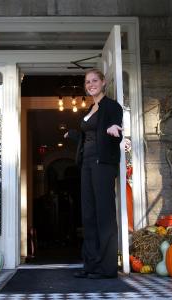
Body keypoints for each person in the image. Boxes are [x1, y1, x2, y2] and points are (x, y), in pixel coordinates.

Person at [64, 69, 123, 279]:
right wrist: (73, 135)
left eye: (94, 80)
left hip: (103, 164)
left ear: (103, 82)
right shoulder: (90, 108)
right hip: (87, 165)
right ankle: (91, 265)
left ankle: (107, 269)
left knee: (104, 215)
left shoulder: (111, 106)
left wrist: (116, 129)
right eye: (88, 82)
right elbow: (86, 134)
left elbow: (116, 123)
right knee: (88, 215)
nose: (91, 84)